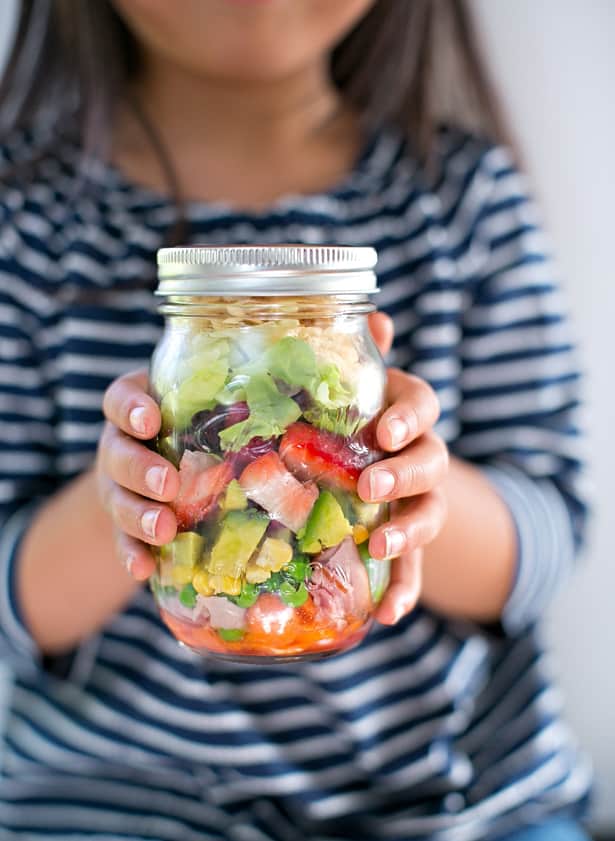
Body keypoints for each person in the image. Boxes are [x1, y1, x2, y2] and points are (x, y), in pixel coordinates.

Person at [0, 1, 591, 839]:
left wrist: (397, 483)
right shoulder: (23, 219)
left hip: (453, 802)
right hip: (117, 802)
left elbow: (551, 535)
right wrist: (132, 495)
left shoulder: (461, 200)